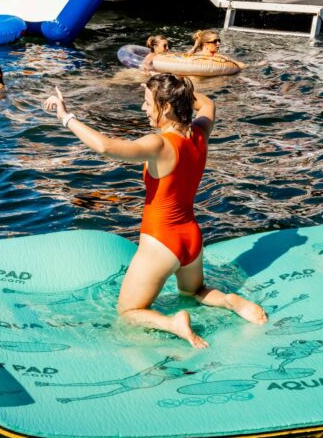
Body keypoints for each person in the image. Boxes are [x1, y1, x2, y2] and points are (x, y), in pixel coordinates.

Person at [43, 76, 267, 348]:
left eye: (148, 102)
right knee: (194, 291)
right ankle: (230, 301)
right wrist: (178, 92)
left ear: (167, 107)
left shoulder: (160, 145)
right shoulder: (200, 131)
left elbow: (106, 146)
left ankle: (172, 323)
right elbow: (208, 102)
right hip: (191, 239)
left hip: (161, 242)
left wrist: (66, 117)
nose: (143, 108)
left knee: (128, 313)